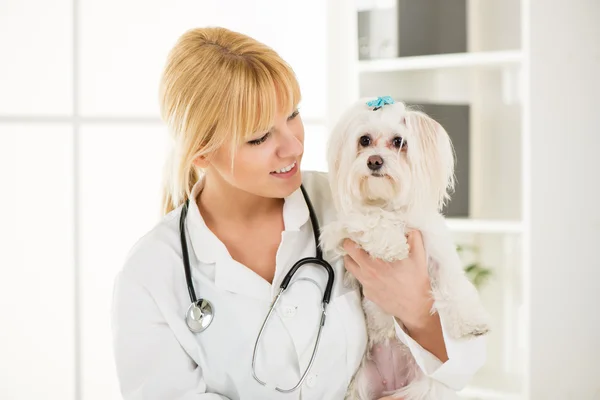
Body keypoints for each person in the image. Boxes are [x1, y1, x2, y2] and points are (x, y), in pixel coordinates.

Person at [110, 26, 486, 400]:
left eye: (293, 115)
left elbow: (464, 365)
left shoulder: (355, 202)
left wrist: (418, 311)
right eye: (259, 137)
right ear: (203, 154)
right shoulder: (151, 275)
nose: (292, 147)